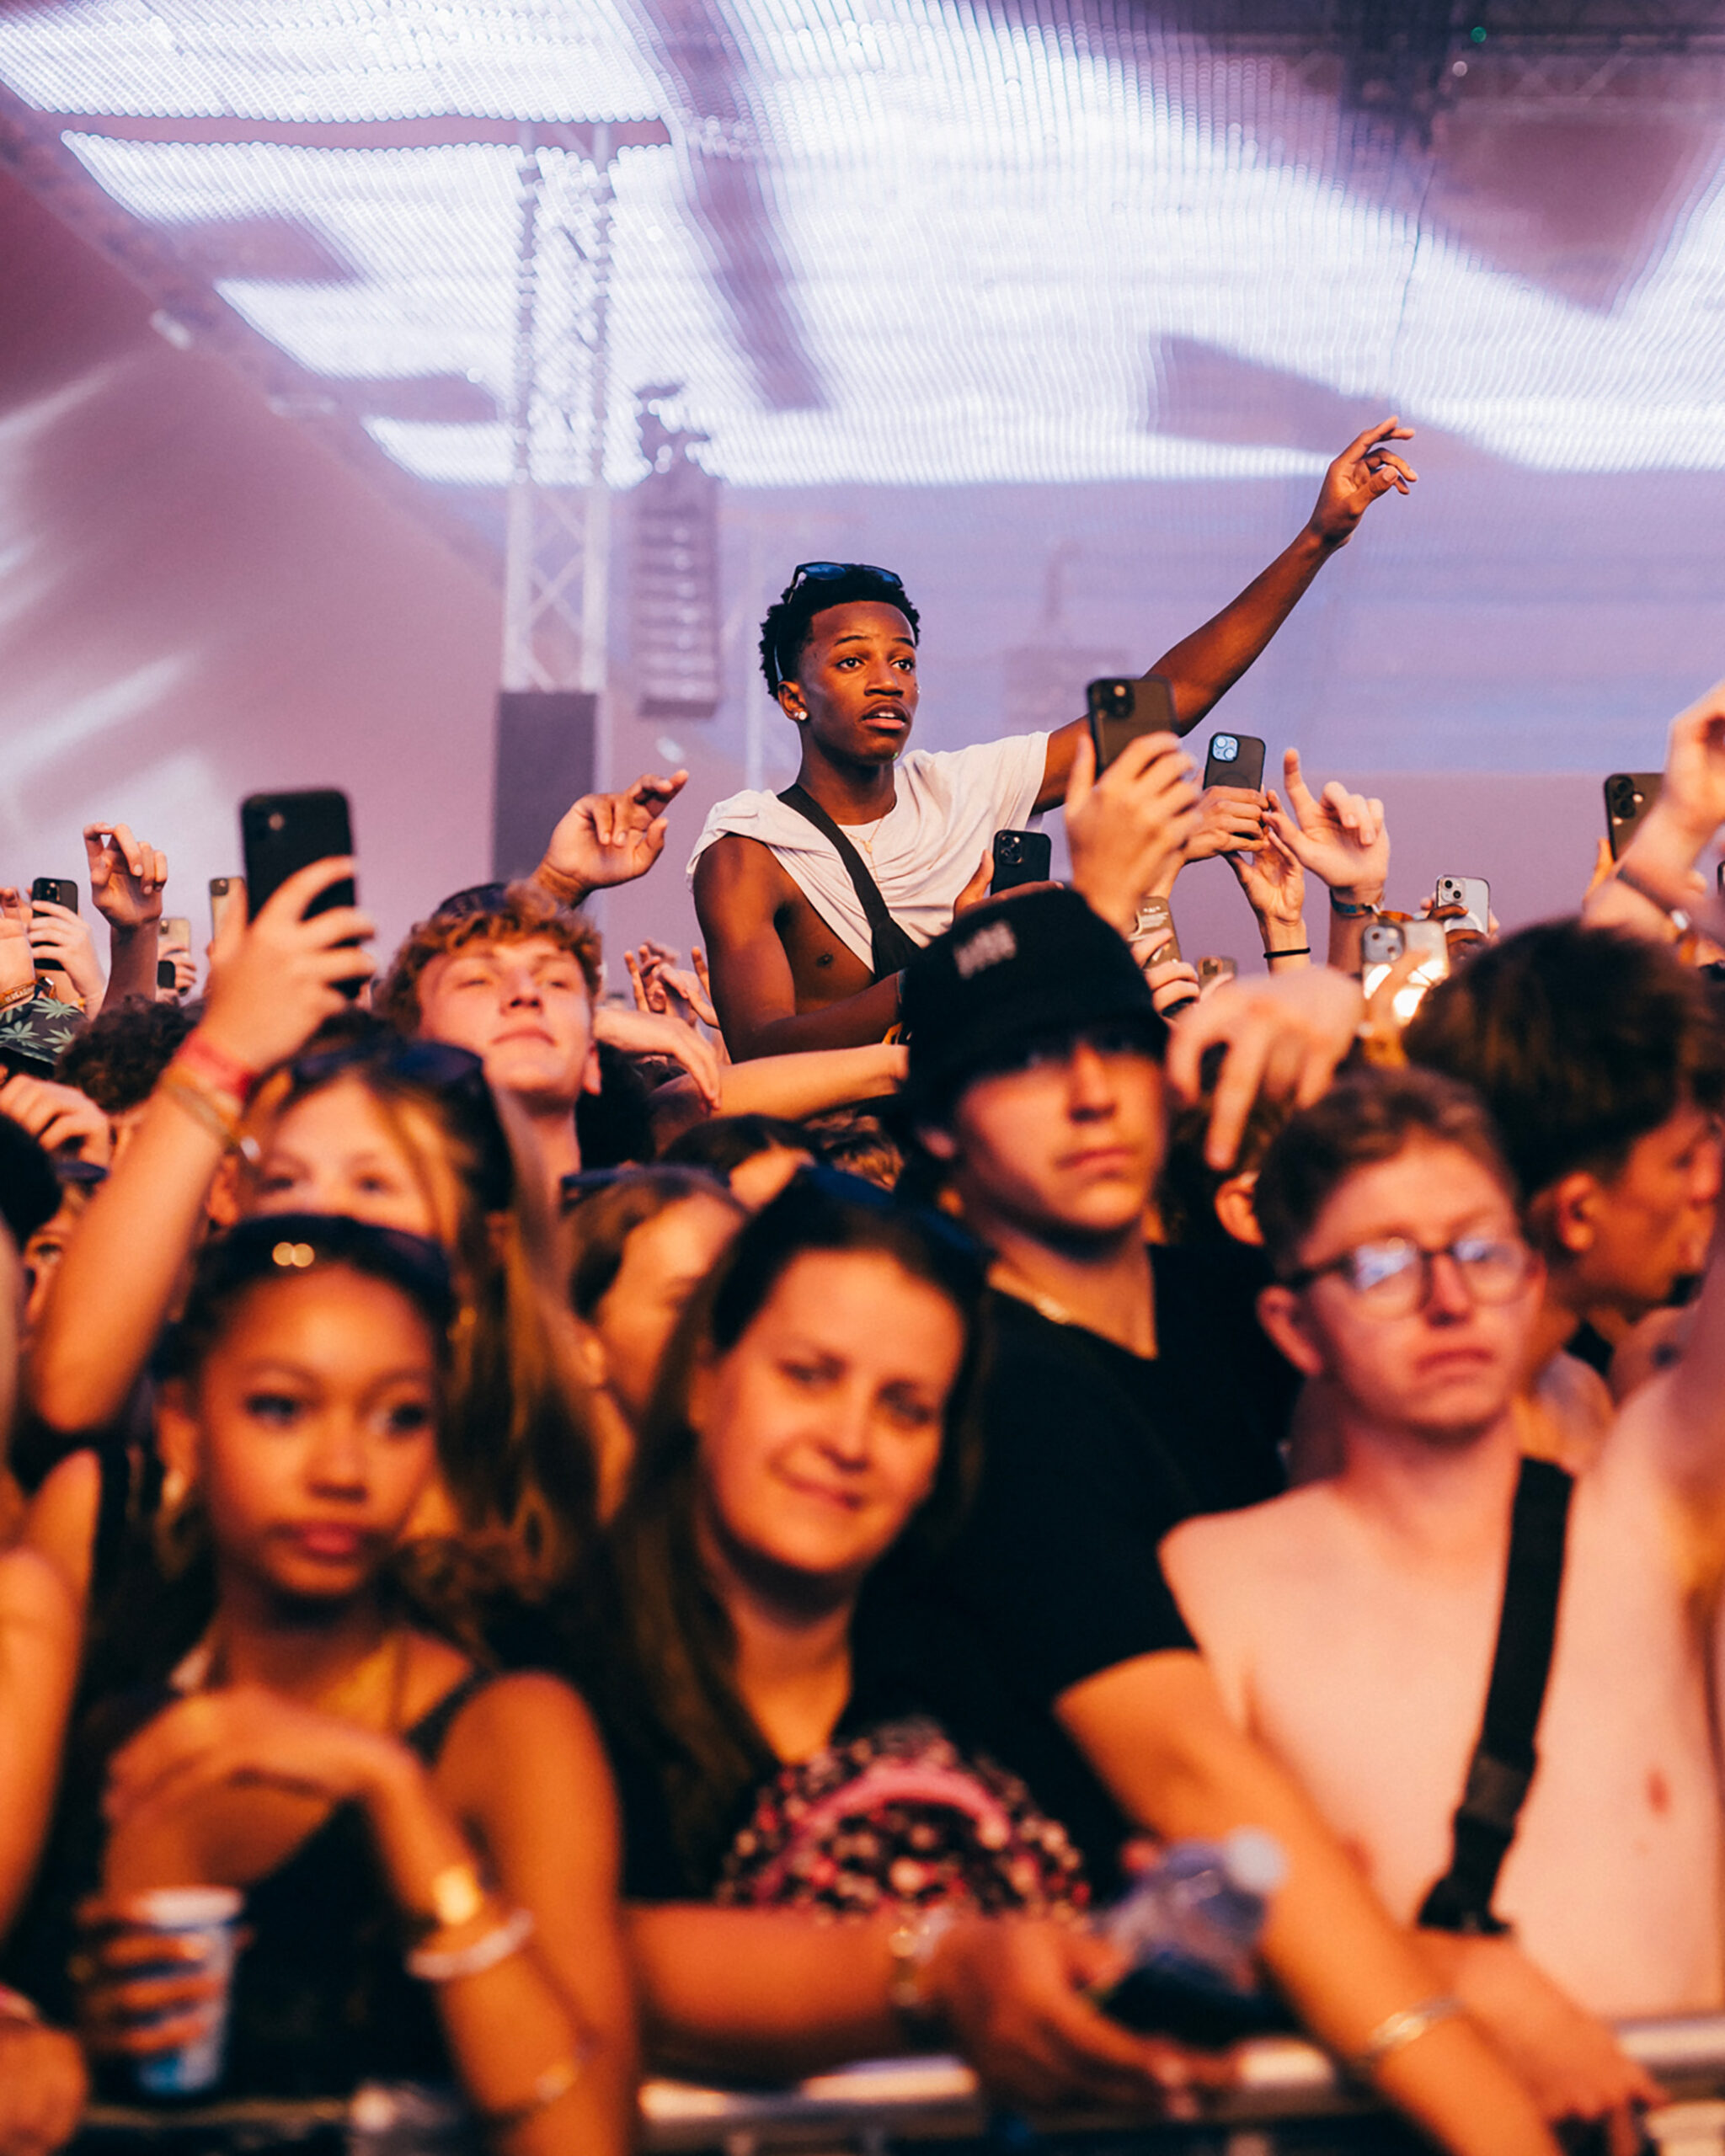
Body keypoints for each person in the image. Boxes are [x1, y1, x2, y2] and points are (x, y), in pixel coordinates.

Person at [857, 889, 1565, 2153]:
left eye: (1118, 1044)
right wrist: (1473, 2083)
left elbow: (1540, 1252)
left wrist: (1357, 1025)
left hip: (1295, 1982)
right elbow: (1193, 1771)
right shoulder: (982, 1385)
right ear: (938, 1132)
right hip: (1112, 2063)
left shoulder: (1220, 1306)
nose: (1089, 1093)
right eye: (1022, 1060)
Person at [1158, 1065, 1720, 2144]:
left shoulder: (1644, 1523)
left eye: (1478, 1249)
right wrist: (1446, 1973)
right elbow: (1174, 1939)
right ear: (1292, 1326)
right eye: (1379, 1267)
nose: (1447, 1298)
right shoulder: (1218, 1580)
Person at [10, 1214, 634, 2150]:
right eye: (281, 1408)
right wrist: (63, 2041)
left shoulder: (509, 1731)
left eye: (398, 1417)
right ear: (182, 1427)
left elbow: (585, 2135)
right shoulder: (118, 1726)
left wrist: (393, 1795)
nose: (343, 1468)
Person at [582, 1171, 1192, 2111]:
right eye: (809, 1375)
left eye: (905, 1408)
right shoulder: (557, 1665)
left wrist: (1166, 1933)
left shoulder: (984, 1684)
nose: (849, 1440)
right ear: (705, 1379)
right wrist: (936, 1967)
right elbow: (579, 1949)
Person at [689, 422, 1417, 1059]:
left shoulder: (970, 788)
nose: (888, 681)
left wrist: (1319, 538)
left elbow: (1170, 704)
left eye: (904, 660)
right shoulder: (752, 848)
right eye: (852, 661)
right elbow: (758, 1048)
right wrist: (956, 964)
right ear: (791, 698)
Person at [1404, 920, 1724, 1463]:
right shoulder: (1433, 1436)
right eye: (1682, 1160)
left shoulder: (1574, 1391)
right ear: (1576, 1212)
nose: (1707, 1184)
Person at [565, 1166, 746, 1516]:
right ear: (581, 1346)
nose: (724, 1327)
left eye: (740, 1300)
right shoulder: (502, 1554)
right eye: (686, 1303)